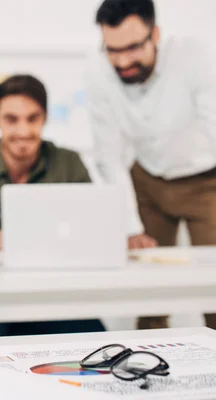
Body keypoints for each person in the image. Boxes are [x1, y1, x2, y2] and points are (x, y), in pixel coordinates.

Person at [0, 75, 105, 338]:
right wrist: (38, 238)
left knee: (97, 343)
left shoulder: (69, 163)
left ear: (45, 117)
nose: (24, 131)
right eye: (12, 119)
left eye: (33, 118)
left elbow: (93, 228)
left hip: (53, 298)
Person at [88, 0, 216, 330]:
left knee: (213, 287)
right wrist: (130, 226)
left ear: (155, 34)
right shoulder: (100, 74)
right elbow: (109, 155)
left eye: (132, 47)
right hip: (148, 179)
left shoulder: (195, 57)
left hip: (205, 181)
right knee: (148, 291)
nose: (123, 60)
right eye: (113, 49)